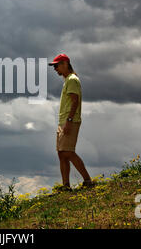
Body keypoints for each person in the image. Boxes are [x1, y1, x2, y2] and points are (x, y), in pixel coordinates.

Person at [49, 54, 94, 191]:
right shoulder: (68, 80)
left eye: (56, 66)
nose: (55, 69)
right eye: (54, 66)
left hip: (70, 121)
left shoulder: (72, 80)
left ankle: (87, 180)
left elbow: (75, 101)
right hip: (64, 121)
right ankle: (66, 186)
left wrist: (69, 120)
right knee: (61, 153)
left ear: (65, 64)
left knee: (68, 152)